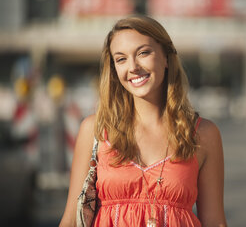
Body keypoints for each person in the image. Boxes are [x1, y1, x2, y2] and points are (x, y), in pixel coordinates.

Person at [59, 15, 226, 226]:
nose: (133, 66)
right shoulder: (95, 129)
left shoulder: (204, 134)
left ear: (166, 57)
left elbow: (215, 221)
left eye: (143, 53)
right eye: (121, 59)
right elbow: (71, 219)